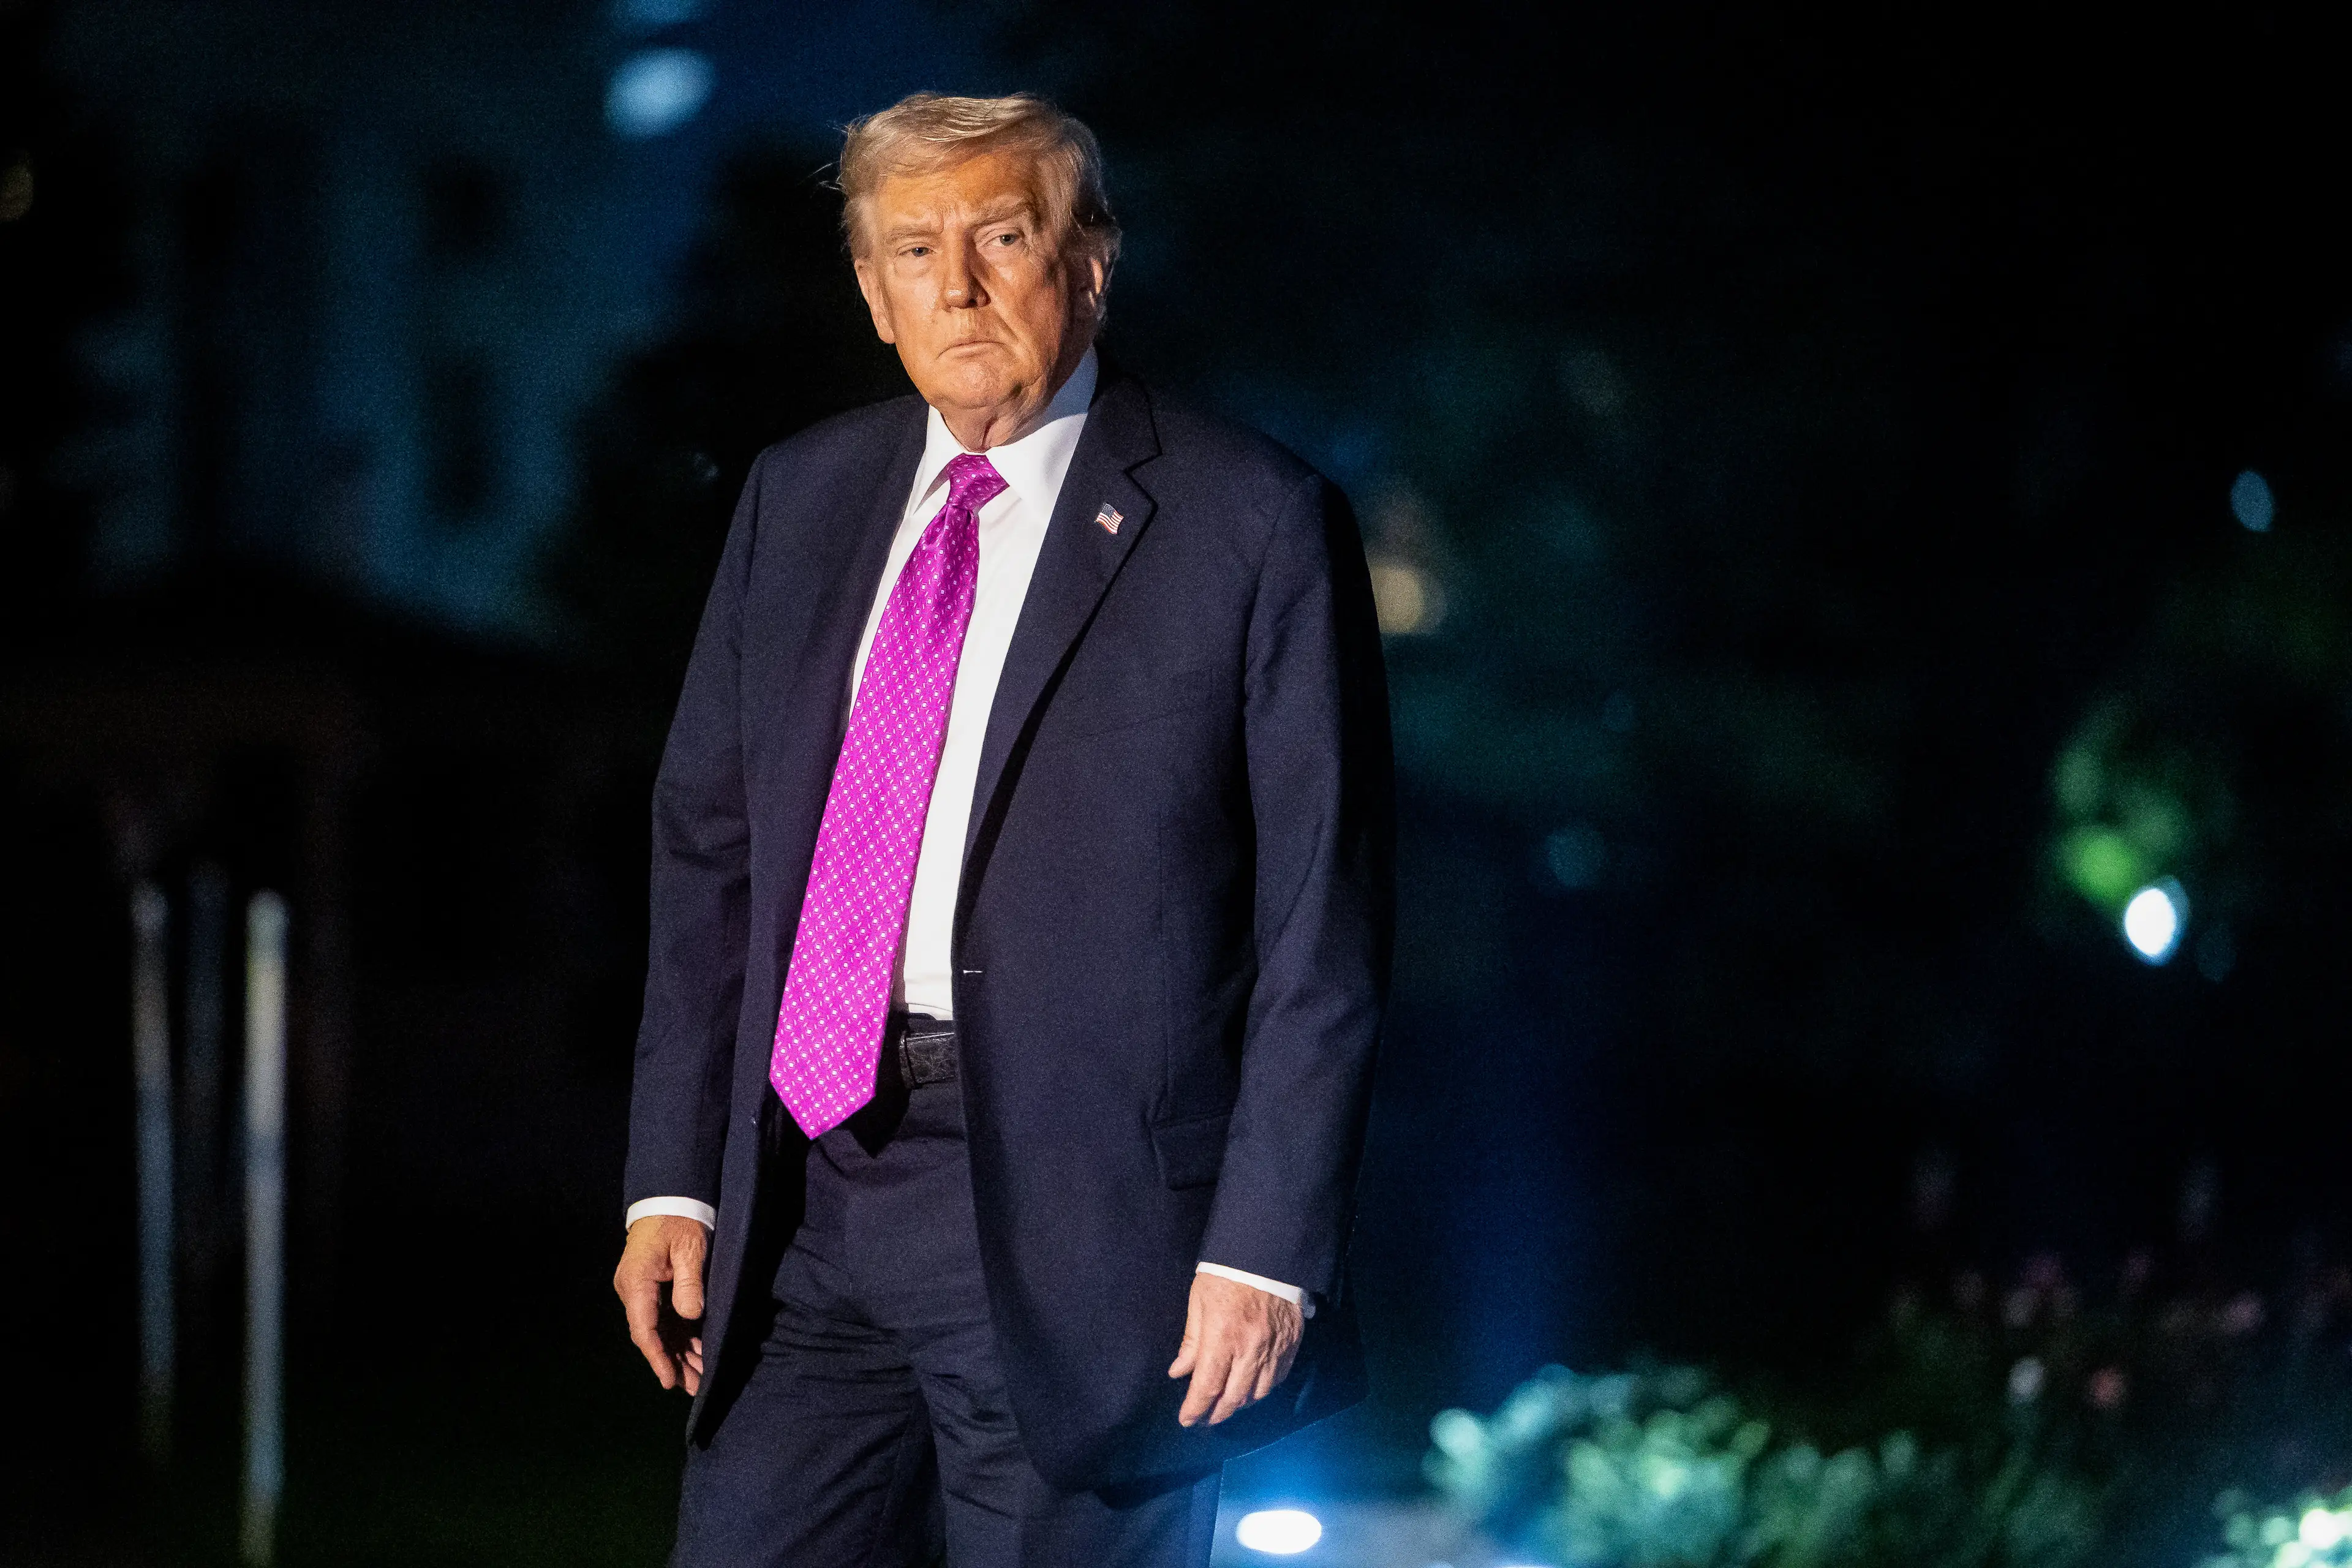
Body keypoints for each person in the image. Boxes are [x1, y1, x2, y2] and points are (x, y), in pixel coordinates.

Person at [612, 91, 1392, 1568]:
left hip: (1095, 1227)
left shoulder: (1253, 521)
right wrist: (675, 1175)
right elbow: (708, 848)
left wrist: (1266, 1245)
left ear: (1090, 264)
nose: (958, 285)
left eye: (1004, 236)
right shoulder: (799, 498)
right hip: (810, 1202)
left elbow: (1322, 916)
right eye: (914, 250)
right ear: (870, 292)